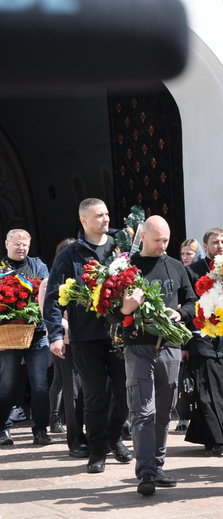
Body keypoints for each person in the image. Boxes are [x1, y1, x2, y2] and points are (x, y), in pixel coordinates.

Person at [44, 198, 133, 473]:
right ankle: (96, 450)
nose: (105, 219)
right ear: (84, 220)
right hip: (85, 336)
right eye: (98, 216)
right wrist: (56, 334)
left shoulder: (121, 246)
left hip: (119, 332)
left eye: (106, 213)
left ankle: (114, 437)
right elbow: (53, 298)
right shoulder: (70, 255)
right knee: (95, 396)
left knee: (123, 391)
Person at [117, 215, 197, 495]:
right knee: (143, 410)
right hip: (138, 346)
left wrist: (180, 313)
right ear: (143, 238)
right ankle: (146, 472)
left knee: (164, 410)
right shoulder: (127, 269)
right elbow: (108, 309)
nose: (162, 246)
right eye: (157, 241)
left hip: (170, 347)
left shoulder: (176, 267)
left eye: (166, 240)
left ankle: (158, 465)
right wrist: (126, 308)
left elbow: (192, 301)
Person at [183, 227, 223, 455]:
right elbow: (187, 306)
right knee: (206, 389)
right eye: (215, 242)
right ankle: (218, 439)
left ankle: (210, 435)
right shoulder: (193, 271)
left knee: (222, 389)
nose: (220, 245)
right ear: (205, 246)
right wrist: (185, 344)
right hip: (201, 339)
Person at [0, 229, 52, 447]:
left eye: (25, 245)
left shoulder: (38, 266)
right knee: (6, 384)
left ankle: (40, 429)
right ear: (7, 244)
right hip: (9, 333)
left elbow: (45, 289)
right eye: (17, 244)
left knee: (40, 384)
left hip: (37, 332)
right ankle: (3, 429)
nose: (21, 248)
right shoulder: (1, 269)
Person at [40, 238, 88, 457]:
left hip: (87, 341)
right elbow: (49, 313)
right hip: (66, 341)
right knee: (72, 391)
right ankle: (75, 438)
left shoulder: (84, 279)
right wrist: (68, 331)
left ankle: (91, 432)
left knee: (90, 390)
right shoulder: (49, 281)